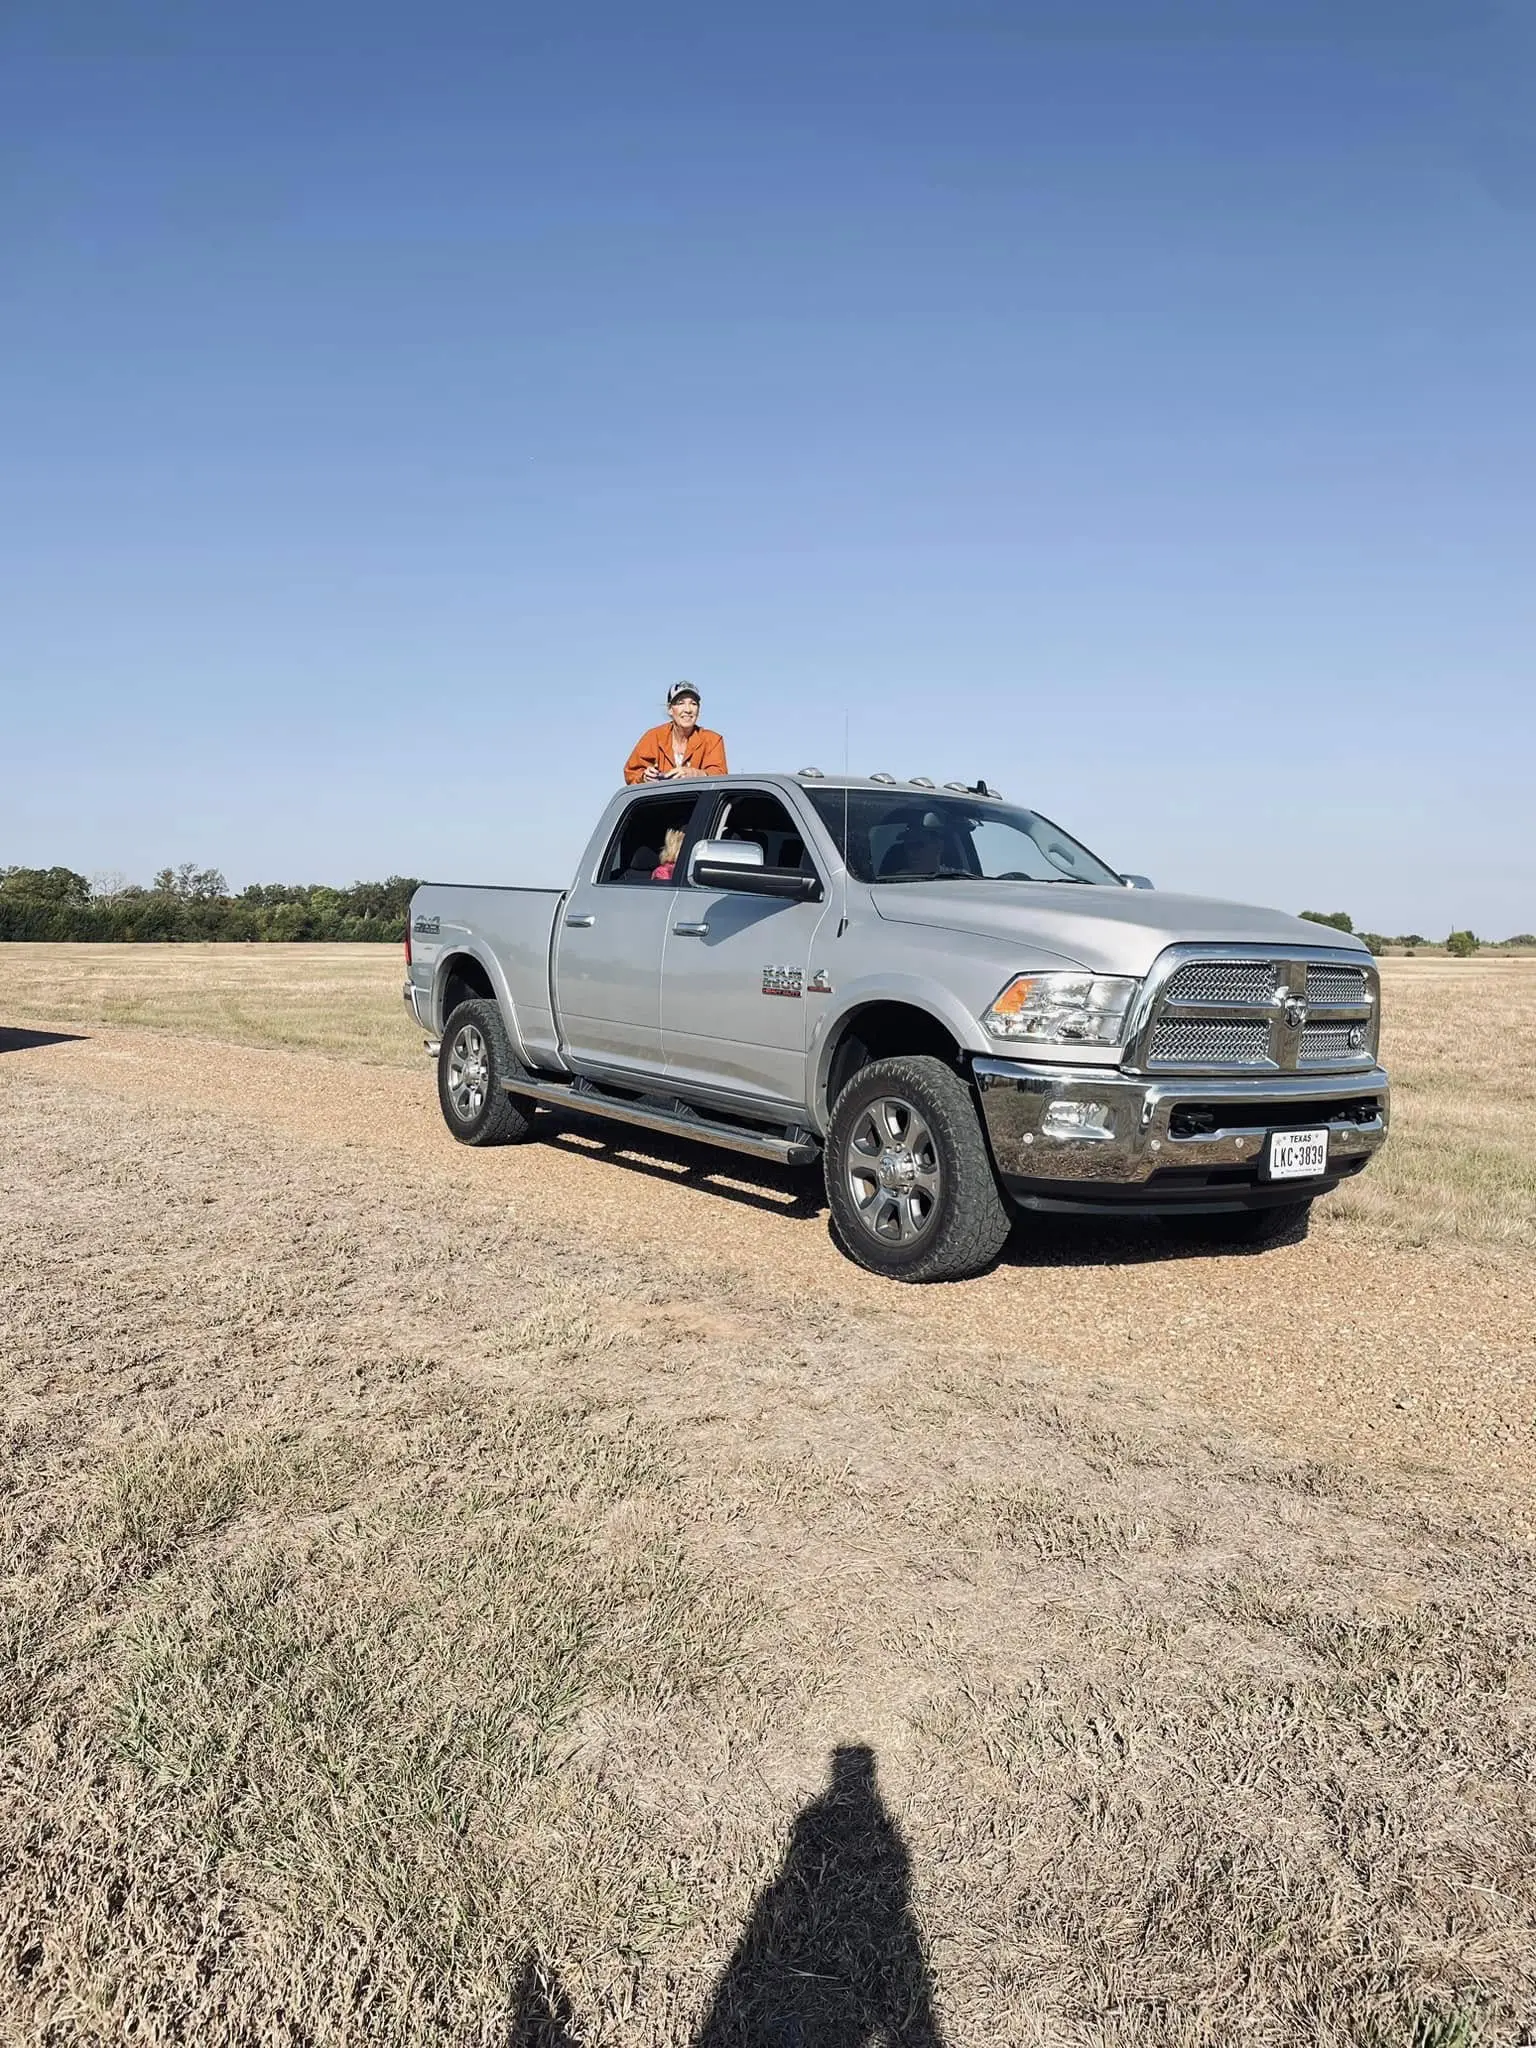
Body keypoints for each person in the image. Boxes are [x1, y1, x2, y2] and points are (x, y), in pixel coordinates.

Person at [624, 682, 728, 785]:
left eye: (693, 704)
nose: (688, 710)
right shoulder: (653, 737)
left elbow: (720, 775)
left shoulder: (712, 740)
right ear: (670, 709)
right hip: (661, 800)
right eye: (680, 703)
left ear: (698, 709)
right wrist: (644, 777)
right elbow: (631, 773)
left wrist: (695, 773)